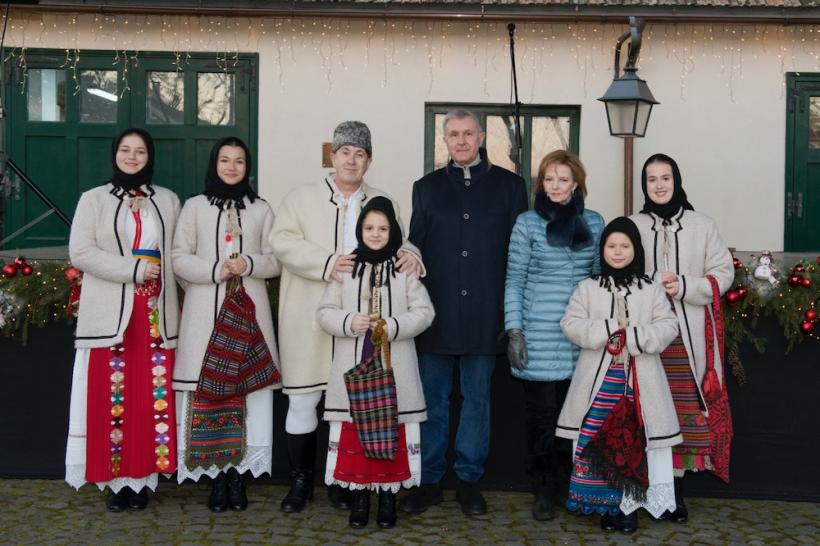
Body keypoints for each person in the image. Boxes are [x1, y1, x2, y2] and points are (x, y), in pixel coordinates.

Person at [271, 121, 423, 513]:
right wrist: (327, 263)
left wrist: (413, 255)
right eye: (344, 152)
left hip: (361, 328)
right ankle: (301, 481)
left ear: (369, 161)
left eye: (359, 153)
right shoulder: (300, 198)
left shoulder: (382, 198)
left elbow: (397, 239)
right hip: (309, 314)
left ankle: (342, 479)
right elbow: (281, 242)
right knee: (304, 400)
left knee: (351, 405)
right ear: (332, 156)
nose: (351, 160)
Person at [401, 109, 528, 516]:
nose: (461, 141)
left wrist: (512, 316)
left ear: (482, 135)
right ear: (445, 139)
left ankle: (469, 481)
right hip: (436, 314)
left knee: (476, 401)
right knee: (433, 402)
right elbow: (415, 243)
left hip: (485, 313)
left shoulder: (511, 186)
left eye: (468, 133)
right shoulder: (426, 188)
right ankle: (430, 480)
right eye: (453, 134)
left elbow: (518, 253)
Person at [65, 128, 181, 511]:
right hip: (112, 312)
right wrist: (132, 270)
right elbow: (80, 252)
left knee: (151, 397)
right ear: (115, 154)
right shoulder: (94, 199)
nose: (133, 158)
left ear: (150, 157)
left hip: (155, 314)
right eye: (126, 151)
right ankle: (117, 482)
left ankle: (143, 478)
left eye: (141, 151)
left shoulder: (166, 199)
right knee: (113, 396)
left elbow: (176, 253)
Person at [172, 137, 281, 511]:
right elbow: (178, 258)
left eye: (239, 161)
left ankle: (239, 476)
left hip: (249, 318)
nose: (232, 167)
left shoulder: (262, 209)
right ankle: (216, 476)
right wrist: (213, 269)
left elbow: (276, 260)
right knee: (210, 392)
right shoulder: (194, 207)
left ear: (247, 166)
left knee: (247, 394)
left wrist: (249, 264)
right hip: (206, 316)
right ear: (214, 164)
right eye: (225, 160)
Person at [557, 217, 683, 533]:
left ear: (635, 250)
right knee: (599, 442)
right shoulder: (588, 288)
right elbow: (570, 324)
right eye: (611, 246)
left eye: (624, 246)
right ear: (603, 250)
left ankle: (629, 506)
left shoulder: (650, 289)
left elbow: (668, 326)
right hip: (598, 384)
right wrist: (608, 329)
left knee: (633, 443)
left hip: (639, 383)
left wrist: (634, 337)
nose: (617, 252)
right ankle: (606, 505)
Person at [317, 197, 435, 529]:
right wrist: (347, 321)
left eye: (383, 228)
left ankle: (387, 499)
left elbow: (425, 312)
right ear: (360, 230)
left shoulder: (403, 269)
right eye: (369, 227)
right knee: (357, 435)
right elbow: (324, 312)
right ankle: (359, 499)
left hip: (394, 369)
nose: (376, 233)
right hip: (354, 369)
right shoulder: (346, 269)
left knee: (390, 433)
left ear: (394, 231)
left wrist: (394, 327)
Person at [630, 154, 734, 522]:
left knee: (682, 415)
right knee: (645, 414)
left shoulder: (702, 225)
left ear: (676, 181)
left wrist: (685, 286)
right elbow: (618, 272)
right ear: (644, 185)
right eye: (652, 179)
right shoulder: (632, 225)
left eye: (665, 178)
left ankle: (674, 493)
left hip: (688, 341)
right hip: (648, 338)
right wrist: (650, 285)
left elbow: (723, 273)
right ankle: (640, 490)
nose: (659, 185)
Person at [504, 150, 604, 520]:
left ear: (576, 183)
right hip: (538, 335)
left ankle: (570, 483)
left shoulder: (594, 223)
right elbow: (514, 279)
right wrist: (514, 329)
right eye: (549, 179)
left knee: (575, 414)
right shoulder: (527, 224)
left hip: (580, 336)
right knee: (542, 416)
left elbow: (599, 279)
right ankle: (543, 487)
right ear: (541, 184)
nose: (556, 186)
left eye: (563, 179)